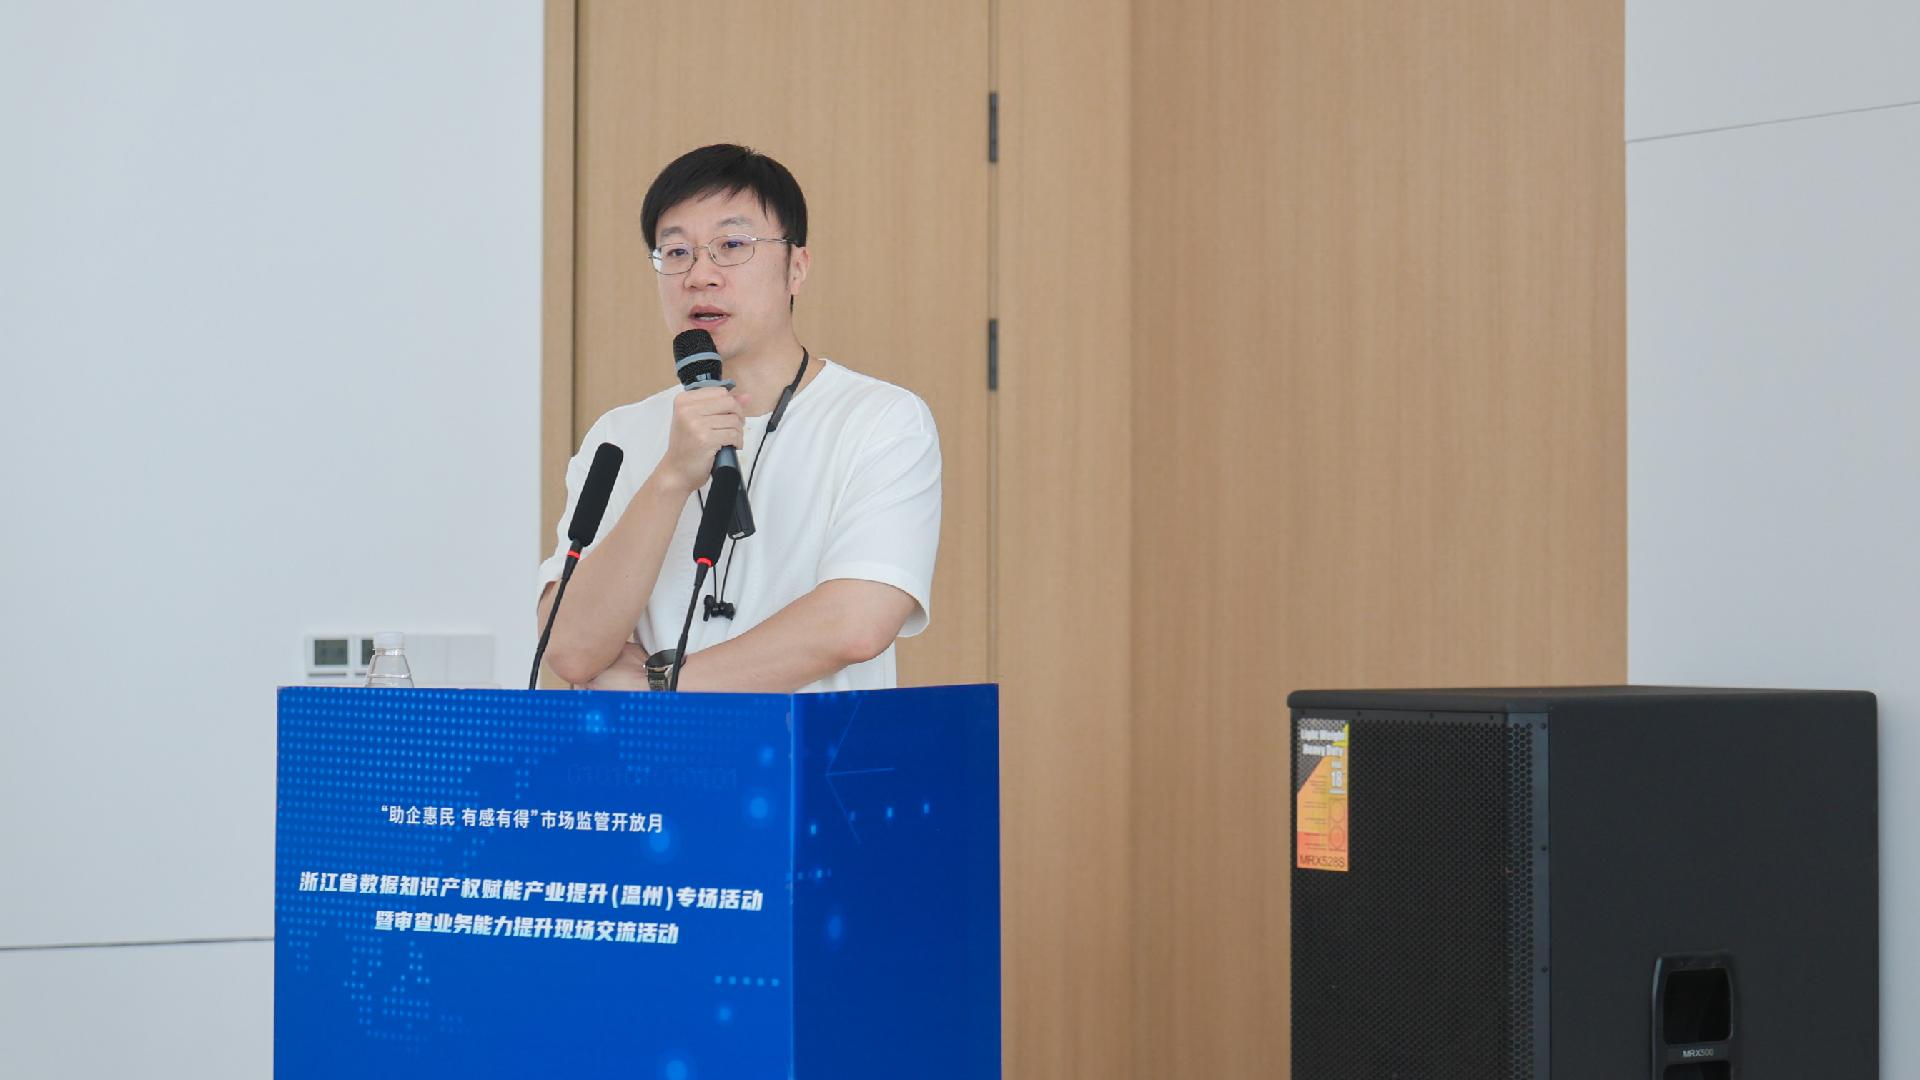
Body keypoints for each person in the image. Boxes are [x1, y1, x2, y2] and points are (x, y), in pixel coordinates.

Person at [536, 144, 940, 693]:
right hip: (647, 751)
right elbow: (569, 648)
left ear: (796, 268)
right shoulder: (619, 436)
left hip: (809, 748)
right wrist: (672, 476)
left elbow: (854, 624)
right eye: (676, 252)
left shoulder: (880, 420)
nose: (700, 275)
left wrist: (660, 688)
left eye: (731, 245)